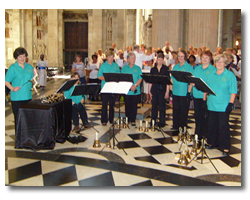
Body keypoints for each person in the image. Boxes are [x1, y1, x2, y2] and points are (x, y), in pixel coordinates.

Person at [204, 54, 237, 155]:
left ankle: (225, 147)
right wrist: (204, 98)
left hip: (223, 105)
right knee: (212, 125)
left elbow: (233, 91)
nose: (219, 63)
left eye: (221, 61)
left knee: (223, 126)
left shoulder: (230, 75)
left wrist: (230, 104)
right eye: (217, 61)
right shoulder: (211, 74)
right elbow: (206, 87)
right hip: (211, 104)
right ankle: (212, 142)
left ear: (225, 63)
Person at [5, 47, 35, 133]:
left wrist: (35, 74)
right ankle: (19, 141)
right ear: (16, 57)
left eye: (24, 56)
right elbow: (6, 81)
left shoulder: (29, 67)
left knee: (28, 119)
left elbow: (33, 79)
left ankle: (27, 138)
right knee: (18, 120)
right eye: (20, 56)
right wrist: (13, 89)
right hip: (17, 98)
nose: (22, 58)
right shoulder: (13, 68)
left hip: (28, 97)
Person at [189, 50, 216, 140]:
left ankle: (205, 133)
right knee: (197, 115)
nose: (204, 59)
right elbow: (193, 81)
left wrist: (205, 95)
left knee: (206, 116)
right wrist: (189, 92)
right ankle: (198, 133)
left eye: (207, 58)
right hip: (197, 95)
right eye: (203, 57)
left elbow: (211, 83)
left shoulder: (213, 69)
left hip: (206, 97)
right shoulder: (197, 68)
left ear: (210, 59)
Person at [171, 50, 193, 129]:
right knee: (176, 109)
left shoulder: (188, 67)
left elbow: (191, 81)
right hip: (175, 91)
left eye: (182, 56)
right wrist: (171, 89)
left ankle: (182, 126)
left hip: (184, 92)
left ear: (185, 57)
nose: (180, 58)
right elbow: (172, 79)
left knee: (183, 110)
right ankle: (175, 125)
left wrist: (189, 92)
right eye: (179, 56)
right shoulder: (175, 66)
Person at [98, 50, 120, 125]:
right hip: (105, 87)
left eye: (112, 57)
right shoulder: (103, 65)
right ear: (107, 57)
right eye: (110, 57)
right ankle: (104, 120)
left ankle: (111, 119)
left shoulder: (116, 66)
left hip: (113, 87)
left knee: (112, 105)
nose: (111, 58)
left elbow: (118, 76)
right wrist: (107, 78)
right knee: (104, 105)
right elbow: (99, 76)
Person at [148, 53, 170, 127]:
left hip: (162, 89)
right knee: (154, 105)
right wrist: (149, 91)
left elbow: (168, 81)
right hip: (154, 88)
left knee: (162, 106)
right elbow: (150, 81)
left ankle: (162, 121)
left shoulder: (166, 69)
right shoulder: (153, 69)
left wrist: (167, 91)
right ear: (156, 60)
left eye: (161, 60)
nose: (160, 61)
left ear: (163, 60)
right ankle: (153, 120)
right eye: (158, 60)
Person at [121, 52, 142, 126]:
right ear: (128, 59)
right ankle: (128, 119)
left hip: (136, 90)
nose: (134, 60)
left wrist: (135, 85)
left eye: (134, 58)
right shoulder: (124, 68)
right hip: (127, 90)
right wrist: (130, 86)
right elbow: (122, 78)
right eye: (132, 58)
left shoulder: (138, 68)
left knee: (134, 105)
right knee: (127, 105)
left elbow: (140, 78)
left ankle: (133, 120)